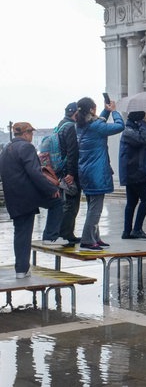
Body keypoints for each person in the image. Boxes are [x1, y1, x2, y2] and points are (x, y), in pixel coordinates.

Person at [0, 122, 65, 278]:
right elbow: (35, 173)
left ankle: (21, 270)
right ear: (26, 133)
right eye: (31, 133)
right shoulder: (26, 148)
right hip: (29, 195)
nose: (32, 136)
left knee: (21, 232)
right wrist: (51, 190)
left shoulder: (5, 150)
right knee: (58, 202)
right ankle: (50, 237)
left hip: (13, 196)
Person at [76, 97, 124, 251]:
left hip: (85, 172)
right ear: (91, 109)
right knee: (95, 209)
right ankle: (88, 240)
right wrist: (115, 112)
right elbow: (119, 126)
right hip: (97, 173)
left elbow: (99, 121)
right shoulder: (96, 127)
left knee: (92, 206)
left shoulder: (81, 126)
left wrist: (106, 111)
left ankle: (95, 237)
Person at [119, 111, 146, 239]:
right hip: (135, 171)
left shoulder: (131, 129)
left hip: (133, 171)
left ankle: (127, 231)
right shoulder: (129, 131)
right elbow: (144, 139)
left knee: (132, 202)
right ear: (138, 118)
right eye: (143, 116)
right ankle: (137, 229)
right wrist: (143, 123)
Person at [56, 102, 81, 244]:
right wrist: (71, 173)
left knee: (66, 203)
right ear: (76, 113)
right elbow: (72, 152)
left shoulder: (61, 124)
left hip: (61, 170)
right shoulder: (71, 127)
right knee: (71, 203)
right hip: (69, 171)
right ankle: (66, 234)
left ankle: (65, 233)